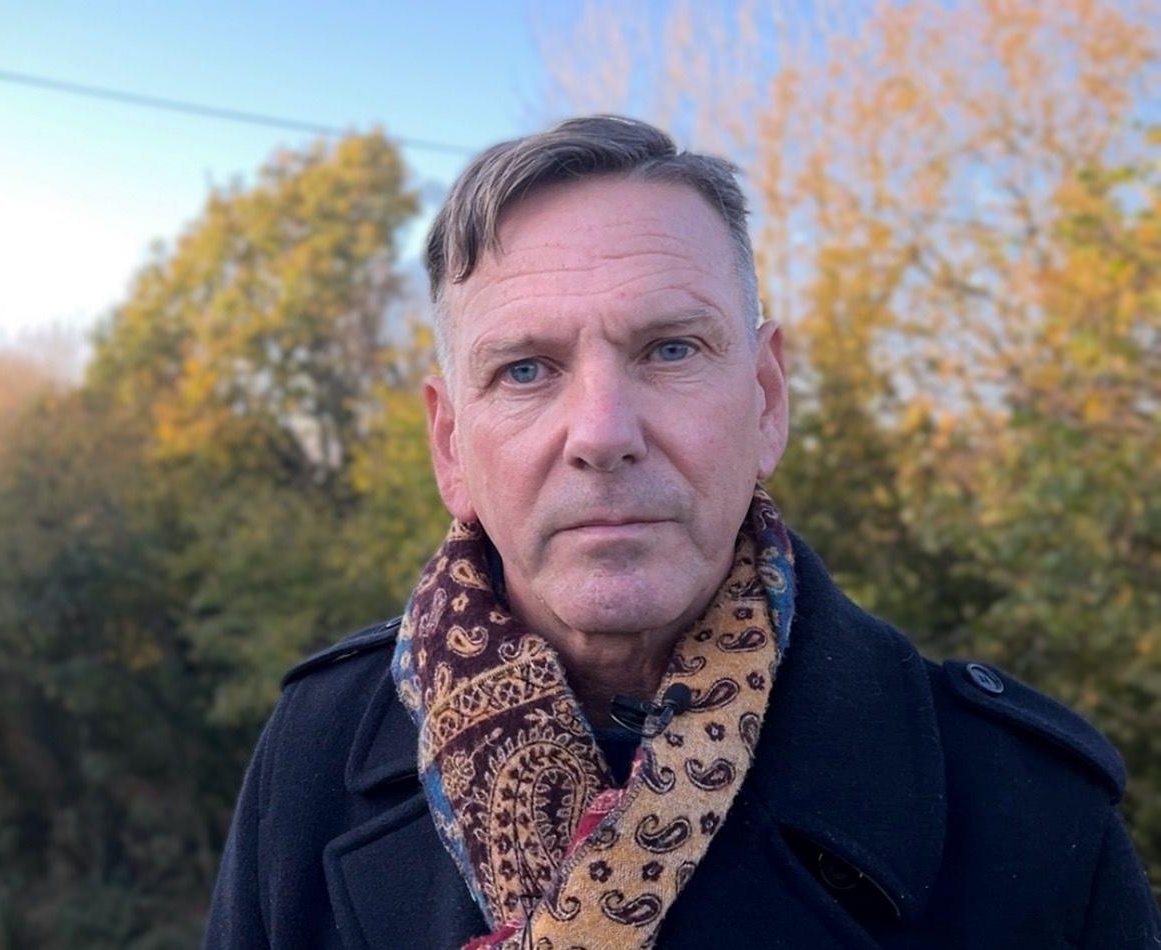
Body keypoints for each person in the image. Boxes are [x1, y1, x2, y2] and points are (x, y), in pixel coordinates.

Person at [204, 116, 1160, 949]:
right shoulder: (314, 756)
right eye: (527, 370)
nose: (604, 434)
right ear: (452, 446)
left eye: (670, 349)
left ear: (766, 399)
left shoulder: (1027, 816)